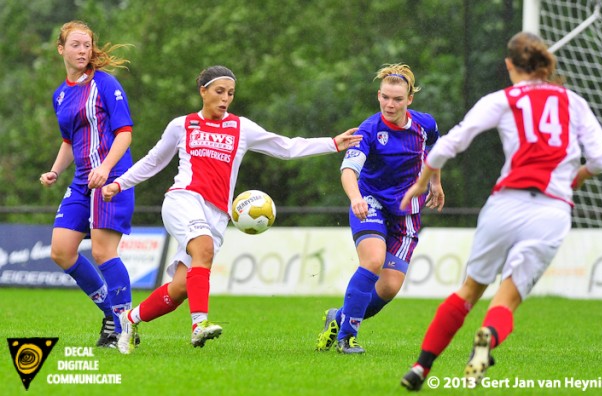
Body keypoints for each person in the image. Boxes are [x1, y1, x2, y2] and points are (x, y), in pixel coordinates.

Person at [399, 32, 602, 391]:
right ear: (544, 62)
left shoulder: (503, 99)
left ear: (510, 65)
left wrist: (424, 180)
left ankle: (421, 367)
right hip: (552, 211)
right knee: (507, 297)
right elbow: (601, 159)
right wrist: (578, 175)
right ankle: (488, 336)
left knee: (468, 291)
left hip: (506, 203)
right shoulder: (573, 102)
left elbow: (452, 142)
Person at [101, 65, 362, 354]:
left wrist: (333, 143)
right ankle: (199, 325)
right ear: (203, 91)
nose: (225, 98)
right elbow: (154, 161)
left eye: (230, 93)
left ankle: (130, 319)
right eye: (219, 91)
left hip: (217, 214)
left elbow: (286, 147)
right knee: (203, 250)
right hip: (183, 199)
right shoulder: (182, 125)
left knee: (180, 288)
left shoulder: (242, 127)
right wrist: (119, 184)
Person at [315, 64, 445, 354]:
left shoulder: (426, 125)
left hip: (407, 213)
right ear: (378, 95)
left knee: (388, 288)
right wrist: (355, 197)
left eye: (397, 99)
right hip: (370, 203)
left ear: (409, 99)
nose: (390, 104)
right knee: (372, 261)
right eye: (385, 97)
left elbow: (436, 151)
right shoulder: (369, 129)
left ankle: (337, 317)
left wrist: (435, 182)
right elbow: (348, 170)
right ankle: (346, 338)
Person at [39, 20, 136, 348]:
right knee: (61, 252)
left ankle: (124, 328)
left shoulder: (105, 84)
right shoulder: (60, 94)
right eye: (76, 44)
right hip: (82, 181)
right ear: (61, 48)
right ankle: (114, 315)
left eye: (87, 45)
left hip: (111, 178)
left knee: (101, 251)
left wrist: (106, 169)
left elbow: (125, 132)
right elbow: (69, 141)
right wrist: (54, 170)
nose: (83, 50)